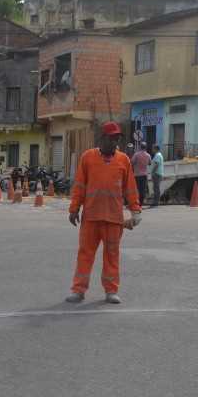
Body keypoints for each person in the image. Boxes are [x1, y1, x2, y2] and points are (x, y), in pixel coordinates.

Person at [67, 121, 141, 305]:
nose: (115, 142)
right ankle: (78, 290)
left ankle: (111, 291)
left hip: (114, 219)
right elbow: (79, 186)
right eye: (112, 138)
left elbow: (130, 188)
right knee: (85, 255)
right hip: (91, 217)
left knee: (112, 256)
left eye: (117, 139)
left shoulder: (123, 160)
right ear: (102, 138)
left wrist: (135, 211)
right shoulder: (87, 158)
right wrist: (74, 208)